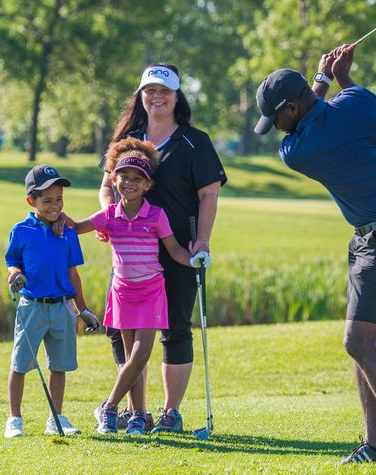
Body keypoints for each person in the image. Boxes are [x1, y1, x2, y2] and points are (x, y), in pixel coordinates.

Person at [254, 44, 376, 465]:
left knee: (358, 341)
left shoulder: (299, 151)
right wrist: (344, 79)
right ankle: (375, 445)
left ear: (293, 109)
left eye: (277, 118)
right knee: (361, 341)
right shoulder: (358, 99)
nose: (276, 128)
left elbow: (318, 115)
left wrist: (322, 77)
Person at [97, 63, 227, 433]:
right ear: (141, 95)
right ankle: (136, 411)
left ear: (176, 97)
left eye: (165, 92)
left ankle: (170, 413)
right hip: (130, 250)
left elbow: (208, 194)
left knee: (175, 328)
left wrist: (202, 239)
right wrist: (109, 218)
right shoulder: (129, 138)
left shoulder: (194, 141)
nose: (157, 97)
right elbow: (107, 185)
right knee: (120, 329)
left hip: (177, 246)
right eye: (150, 91)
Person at [71, 138, 207, 435]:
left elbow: (173, 250)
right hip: (122, 292)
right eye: (124, 177)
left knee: (140, 355)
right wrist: (51, 218)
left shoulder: (156, 215)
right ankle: (138, 417)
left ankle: (107, 408)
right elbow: (76, 227)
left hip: (151, 291)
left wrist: (195, 260)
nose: (129, 183)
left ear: (148, 185)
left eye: (137, 179)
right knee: (129, 356)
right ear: (114, 179)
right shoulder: (108, 216)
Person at [3, 164, 100, 438]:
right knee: (21, 364)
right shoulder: (21, 230)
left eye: (59, 199)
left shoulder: (67, 232)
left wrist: (83, 310)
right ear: (31, 200)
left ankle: (55, 418)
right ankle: (14, 419)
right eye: (47, 200)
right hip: (32, 306)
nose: (55, 205)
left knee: (60, 365)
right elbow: (13, 262)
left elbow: (73, 273)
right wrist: (16, 275)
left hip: (62, 308)